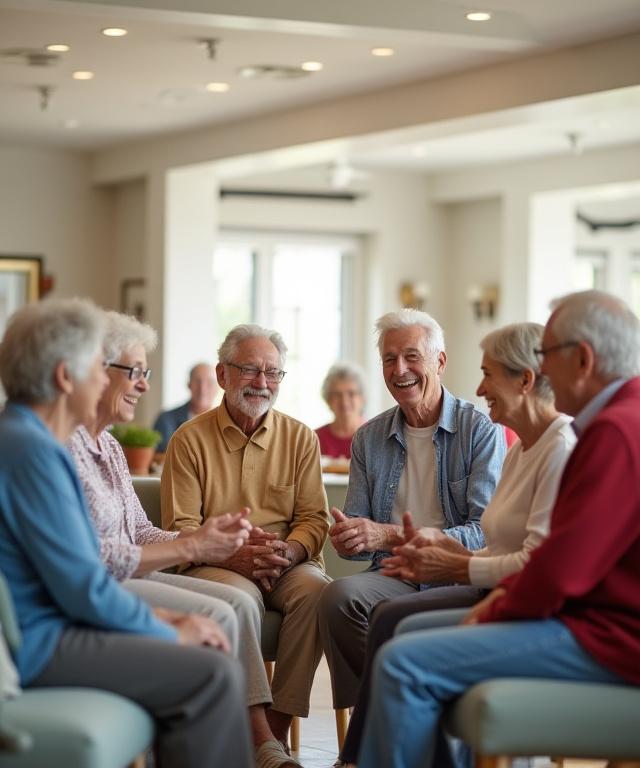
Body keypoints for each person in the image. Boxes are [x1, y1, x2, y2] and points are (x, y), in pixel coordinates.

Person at [358, 290, 640, 768]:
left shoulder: (612, 432)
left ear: (583, 359)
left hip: (611, 638)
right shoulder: (612, 423)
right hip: (594, 622)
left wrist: (492, 607)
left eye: (547, 355)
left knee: (402, 663)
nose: (543, 370)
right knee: (402, 633)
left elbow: (559, 572)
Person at [0, 298, 251, 768]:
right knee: (214, 674)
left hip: (57, 623)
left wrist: (166, 617)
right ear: (65, 376)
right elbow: (85, 587)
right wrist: (168, 627)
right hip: (41, 642)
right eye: (98, 366)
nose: (103, 380)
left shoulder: (25, 438)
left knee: (211, 655)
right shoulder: (33, 451)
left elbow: (82, 576)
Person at [337, 322, 577, 764]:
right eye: (389, 359)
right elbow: (502, 545)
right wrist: (359, 537)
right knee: (379, 613)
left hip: (506, 597)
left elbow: (532, 561)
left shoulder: (546, 445)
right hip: (470, 582)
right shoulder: (524, 448)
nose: (480, 388)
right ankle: (379, 753)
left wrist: (457, 565)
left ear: (525, 380)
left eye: (489, 374)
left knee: (397, 635)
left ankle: (367, 755)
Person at [67, 312, 292, 768]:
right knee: (226, 608)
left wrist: (204, 538)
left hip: (131, 576)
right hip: (108, 583)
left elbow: (139, 531)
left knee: (234, 606)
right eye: (135, 371)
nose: (143, 384)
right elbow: (88, 558)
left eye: (145, 372)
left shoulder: (109, 446)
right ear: (94, 370)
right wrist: (194, 546)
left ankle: (245, 743)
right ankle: (248, 740)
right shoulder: (64, 446)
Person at [318, 307, 505, 713]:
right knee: (337, 598)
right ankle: (378, 715)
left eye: (411, 356)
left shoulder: (480, 430)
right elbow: (359, 545)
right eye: (389, 359)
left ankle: (387, 720)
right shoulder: (368, 437)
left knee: (393, 620)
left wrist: (387, 535)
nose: (399, 369)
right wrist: (351, 538)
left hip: (457, 575)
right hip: (394, 574)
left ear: (440, 361)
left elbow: (485, 533)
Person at [161, 323, 331, 752]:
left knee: (318, 592)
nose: (262, 382)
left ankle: (275, 730)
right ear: (223, 374)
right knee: (241, 600)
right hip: (216, 563)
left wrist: (289, 550)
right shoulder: (188, 440)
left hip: (285, 563)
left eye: (273, 372)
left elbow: (314, 519)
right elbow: (180, 526)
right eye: (250, 370)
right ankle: (259, 738)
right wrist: (233, 554)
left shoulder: (300, 438)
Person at [153, 362, 217, 451]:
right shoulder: (166, 419)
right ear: (189, 384)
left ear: (217, 387)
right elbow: (153, 455)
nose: (202, 389)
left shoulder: (224, 422)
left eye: (209, 383)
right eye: (197, 381)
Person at [316, 362, 367, 459]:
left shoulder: (374, 436)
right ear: (328, 399)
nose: (344, 401)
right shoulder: (315, 439)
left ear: (362, 398)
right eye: (337, 394)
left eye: (351, 393)